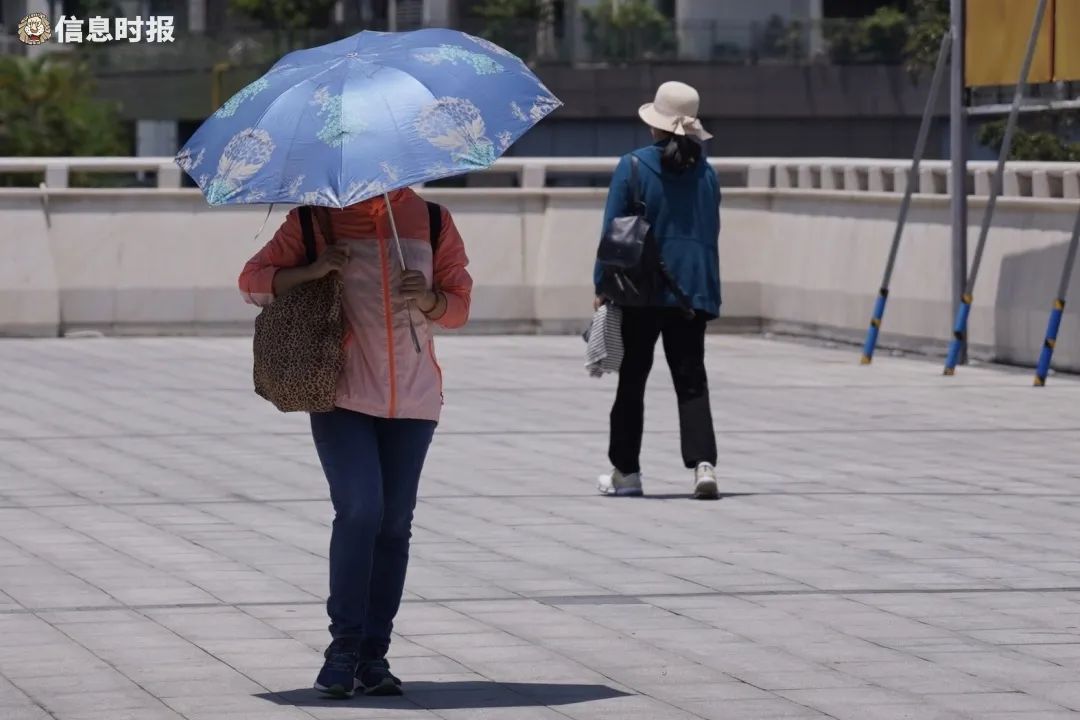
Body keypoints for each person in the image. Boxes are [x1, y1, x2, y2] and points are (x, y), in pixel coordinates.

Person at [238, 189, 472, 698]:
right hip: (340, 393)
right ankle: (342, 647)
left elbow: (459, 306)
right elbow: (252, 281)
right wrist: (314, 269)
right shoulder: (314, 220)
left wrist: (430, 299)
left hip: (414, 399)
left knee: (393, 524)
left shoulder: (431, 219)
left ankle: (374, 655)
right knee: (360, 510)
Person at [594, 81, 721, 500]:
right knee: (692, 381)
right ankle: (704, 466)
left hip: (640, 291)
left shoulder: (632, 166)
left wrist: (601, 285)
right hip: (693, 293)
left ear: (656, 125)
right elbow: (709, 231)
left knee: (632, 380)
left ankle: (626, 472)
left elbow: (613, 233)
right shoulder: (707, 173)